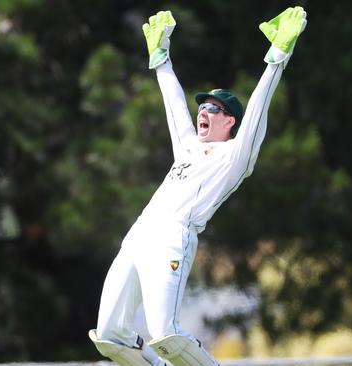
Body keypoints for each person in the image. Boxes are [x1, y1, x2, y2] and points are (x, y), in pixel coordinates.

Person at [89, 6, 307, 366]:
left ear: (230, 122)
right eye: (203, 107)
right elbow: (174, 105)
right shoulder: (188, 147)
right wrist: (161, 59)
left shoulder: (235, 157)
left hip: (173, 238)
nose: (203, 112)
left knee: (167, 338)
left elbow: (258, 110)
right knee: (110, 338)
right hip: (139, 234)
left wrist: (276, 59)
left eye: (214, 109)